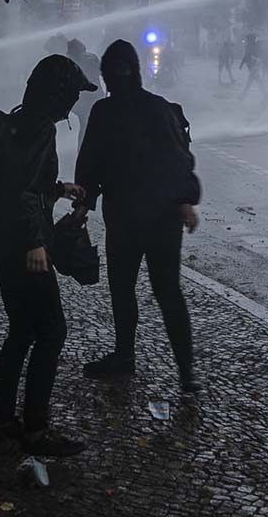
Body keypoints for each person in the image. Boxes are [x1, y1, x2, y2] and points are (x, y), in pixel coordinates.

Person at [0, 54, 97, 457]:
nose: (73, 104)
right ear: (56, 94)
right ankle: (35, 429)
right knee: (51, 331)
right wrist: (35, 242)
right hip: (22, 247)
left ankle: (1, 421)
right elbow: (21, 192)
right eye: (71, 95)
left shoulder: (19, 119)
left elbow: (22, 180)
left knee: (22, 331)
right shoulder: (41, 128)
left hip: (2, 243)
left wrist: (59, 189)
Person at [75, 40, 202, 392]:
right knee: (168, 291)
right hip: (162, 218)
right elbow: (179, 157)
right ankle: (186, 371)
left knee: (123, 288)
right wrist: (185, 201)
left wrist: (83, 202)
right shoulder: (159, 108)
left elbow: (91, 163)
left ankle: (125, 355)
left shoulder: (104, 112)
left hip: (124, 216)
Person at [66, 38, 101, 142]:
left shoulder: (71, 62)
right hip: (94, 97)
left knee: (85, 125)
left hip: (83, 100)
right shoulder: (92, 58)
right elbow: (101, 72)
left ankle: (83, 148)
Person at [239, 33, 268, 101]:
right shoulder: (253, 46)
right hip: (253, 67)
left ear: (250, 39)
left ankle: (243, 96)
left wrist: (242, 64)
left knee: (252, 82)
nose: (247, 40)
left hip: (254, 67)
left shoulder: (251, 46)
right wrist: (242, 64)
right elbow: (247, 56)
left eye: (248, 39)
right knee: (254, 82)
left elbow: (247, 56)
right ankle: (265, 97)